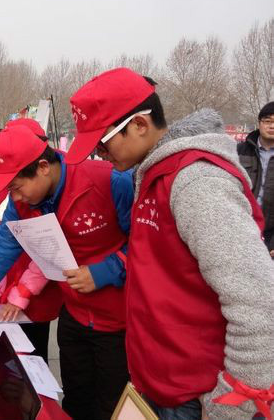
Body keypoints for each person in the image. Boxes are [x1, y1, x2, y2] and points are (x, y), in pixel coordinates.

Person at [65, 67, 274, 420]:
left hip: (195, 399)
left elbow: (258, 303)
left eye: (103, 141)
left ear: (140, 125)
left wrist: (232, 403)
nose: (99, 154)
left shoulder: (196, 181)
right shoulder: (148, 175)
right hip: (160, 387)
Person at [0, 125, 133, 420]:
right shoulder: (23, 205)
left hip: (117, 323)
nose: (14, 198)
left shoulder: (109, 181)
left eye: (16, 187)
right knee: (75, 400)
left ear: (43, 167)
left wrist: (104, 271)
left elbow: (148, 248)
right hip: (74, 316)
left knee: (111, 407)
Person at [237, 101, 274, 254]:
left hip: (270, 235)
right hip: (240, 228)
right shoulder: (238, 151)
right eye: (267, 121)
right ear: (259, 123)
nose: (272, 126)